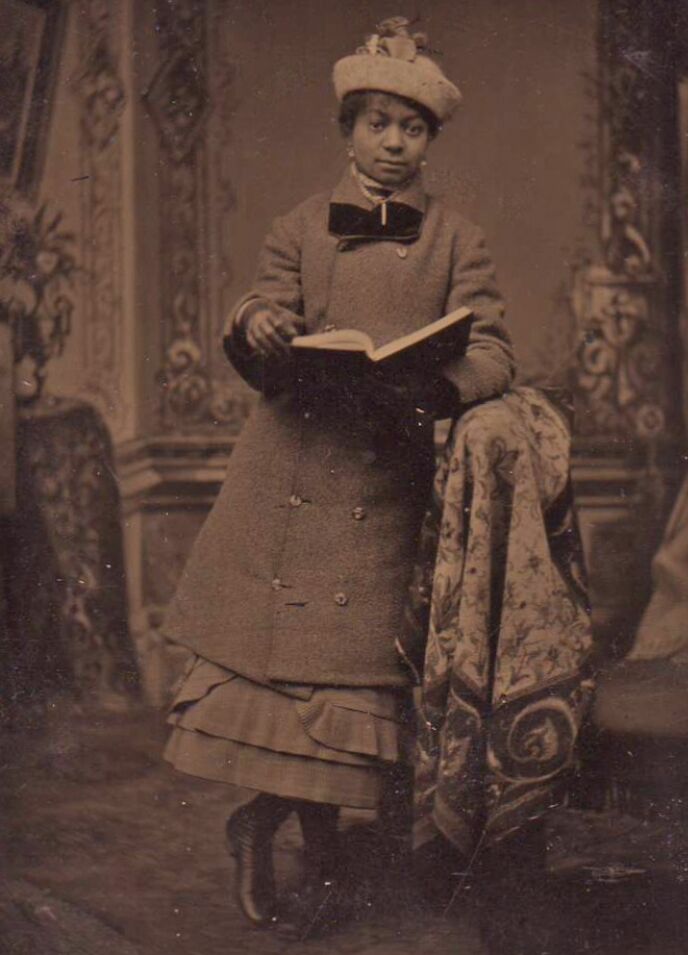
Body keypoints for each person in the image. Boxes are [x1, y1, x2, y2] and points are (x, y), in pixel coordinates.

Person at [162, 16, 515, 937]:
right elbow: (265, 305)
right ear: (347, 130)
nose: (393, 143)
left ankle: (307, 847)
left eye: (411, 128)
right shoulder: (297, 228)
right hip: (288, 471)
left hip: (383, 483)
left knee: (351, 679)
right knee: (282, 679)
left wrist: (442, 381)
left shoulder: (456, 240)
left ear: (430, 140)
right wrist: (259, 322)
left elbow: (496, 349)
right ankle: (280, 831)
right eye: (376, 124)